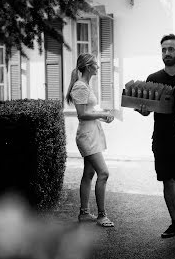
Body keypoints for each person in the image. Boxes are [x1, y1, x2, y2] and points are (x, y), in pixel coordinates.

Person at [136, 34, 175, 247]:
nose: (167, 53)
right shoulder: (153, 78)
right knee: (167, 181)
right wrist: (142, 110)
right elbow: (146, 109)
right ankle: (174, 222)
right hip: (161, 138)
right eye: (164, 49)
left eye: (171, 49)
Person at [66, 53, 115, 227]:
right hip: (87, 137)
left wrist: (103, 117)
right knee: (104, 173)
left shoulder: (85, 85)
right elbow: (82, 114)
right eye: (95, 64)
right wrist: (102, 114)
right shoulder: (80, 86)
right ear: (88, 67)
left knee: (89, 174)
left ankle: (84, 214)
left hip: (92, 134)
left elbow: (90, 111)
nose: (98, 67)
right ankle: (102, 215)